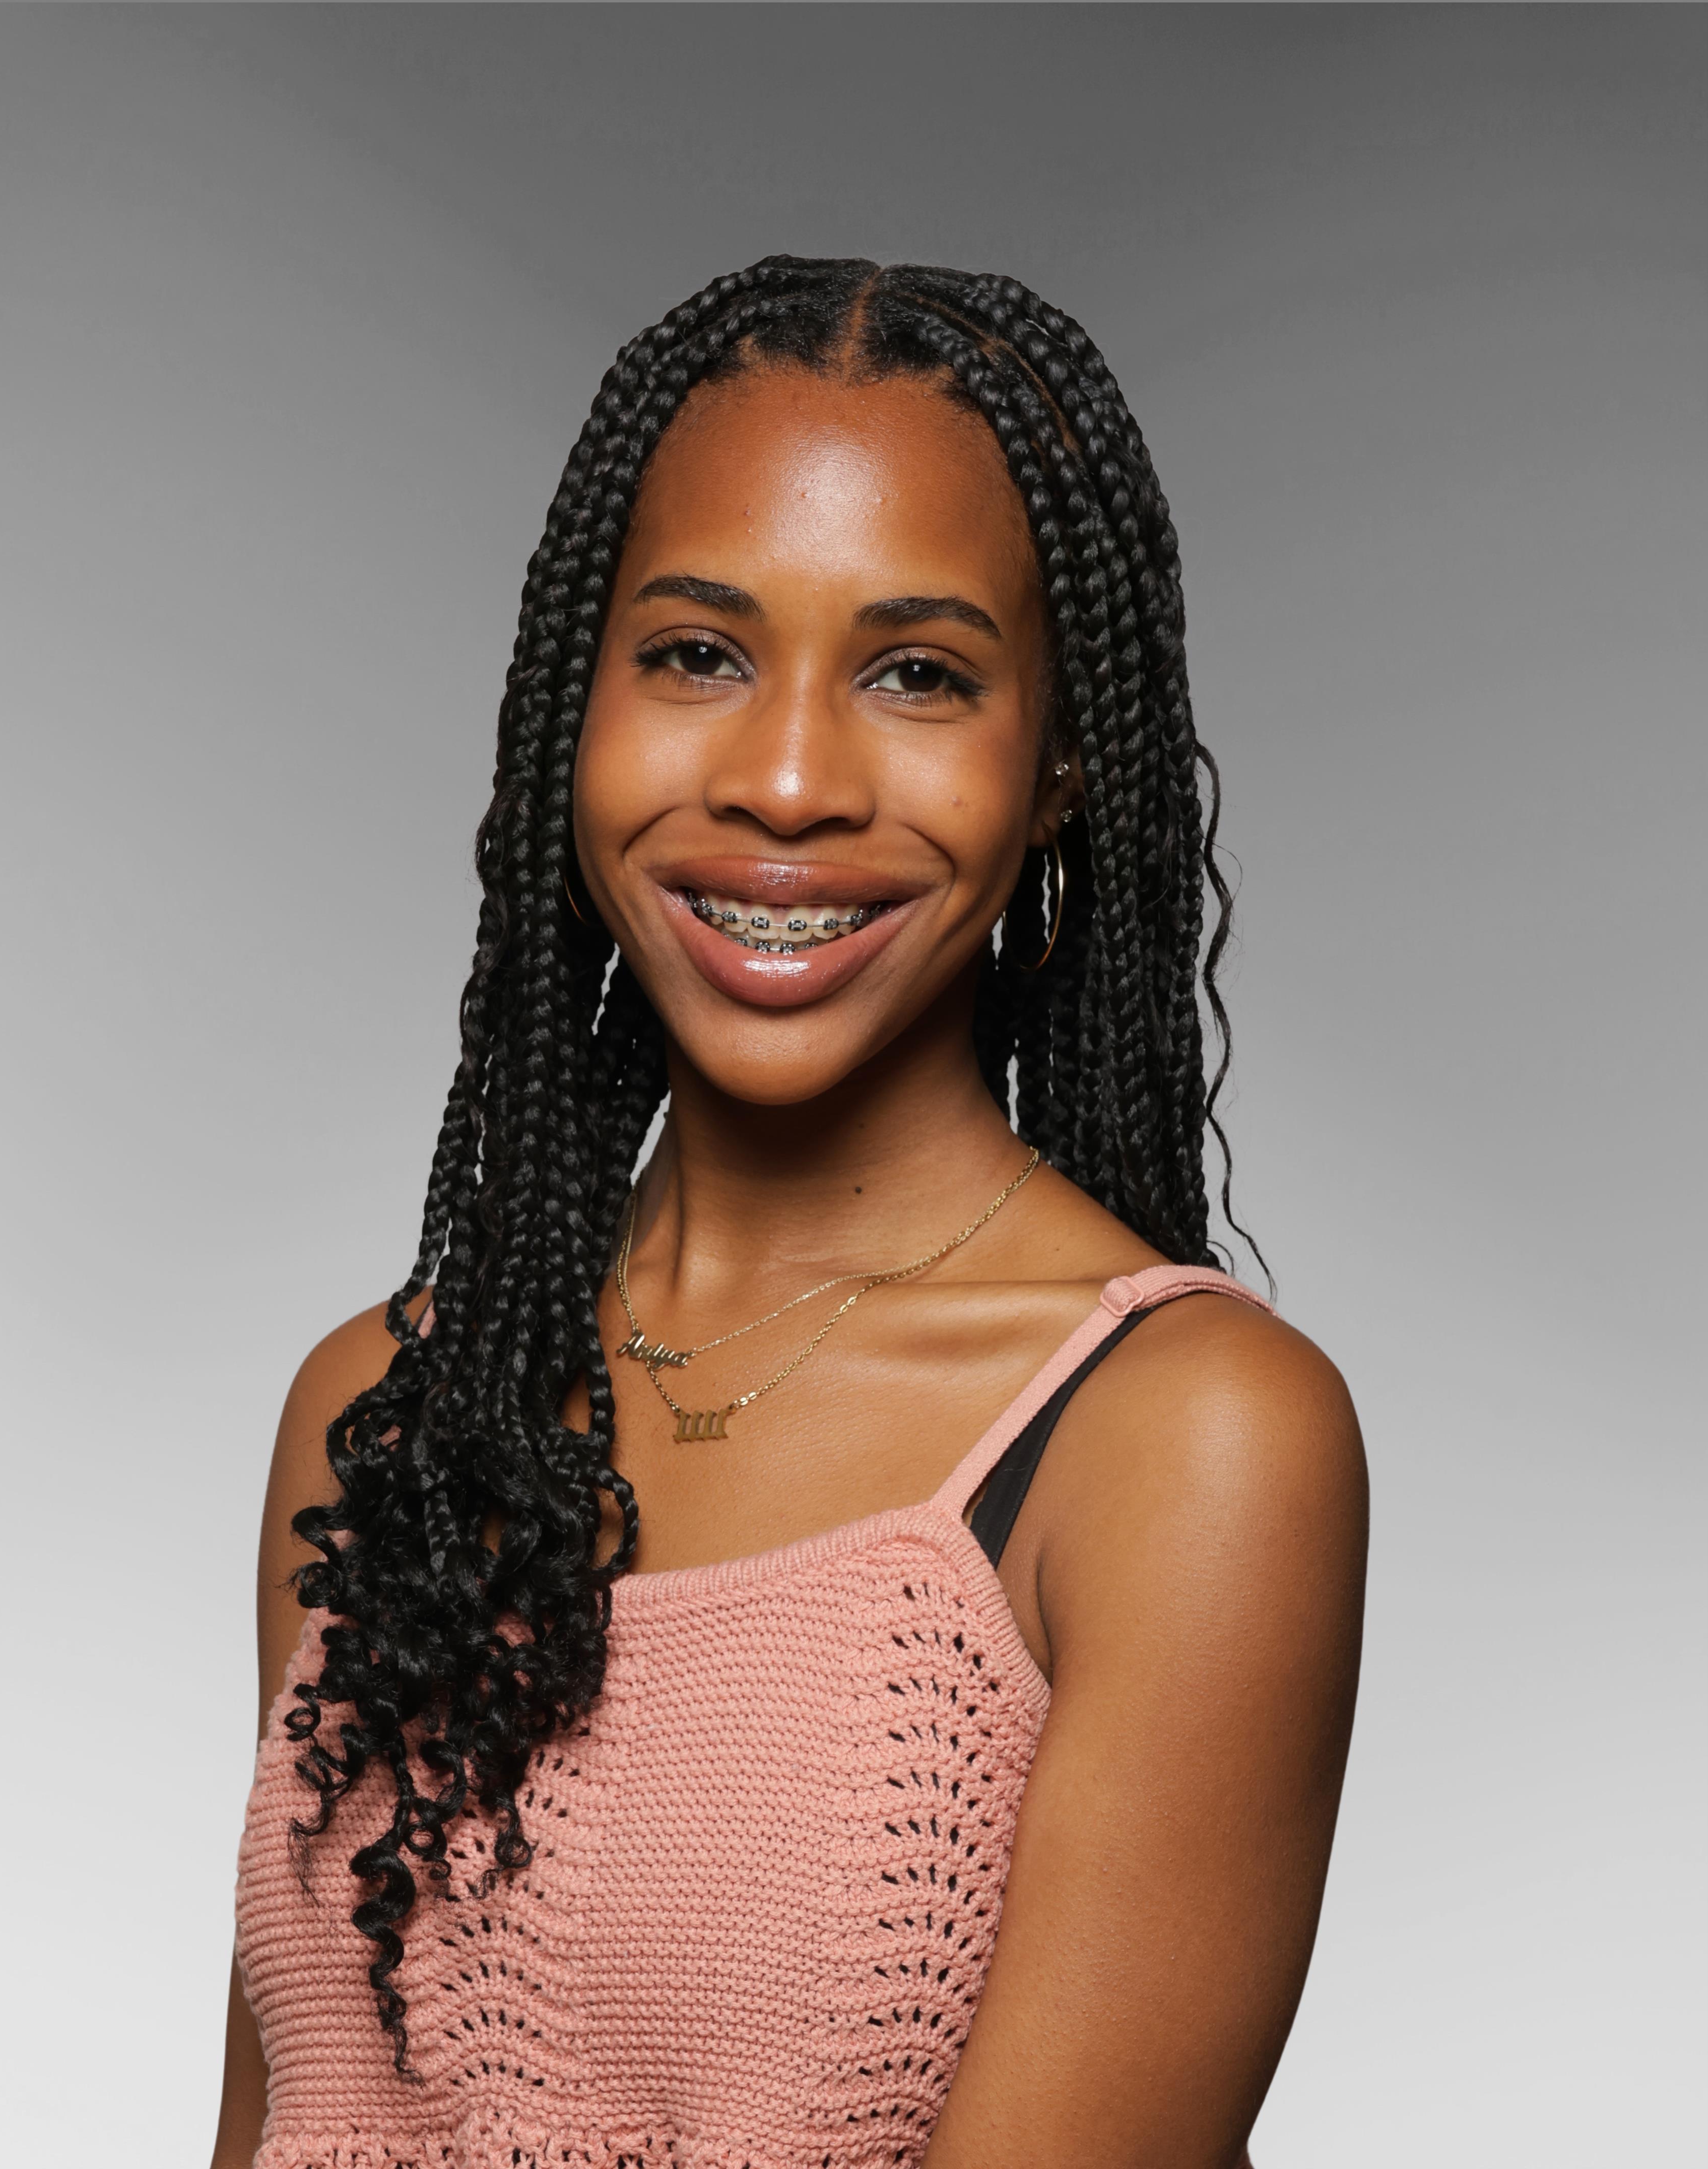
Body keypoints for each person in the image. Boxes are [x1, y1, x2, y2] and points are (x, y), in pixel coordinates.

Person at [213, 256, 1367, 2169]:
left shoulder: (1183, 1444)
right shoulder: (391, 1406)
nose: (785, 781)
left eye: (918, 673)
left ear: (1057, 766)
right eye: (694, 652)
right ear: (565, 712)